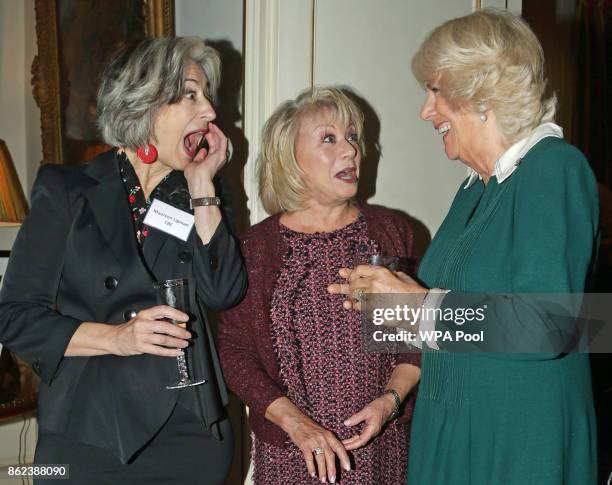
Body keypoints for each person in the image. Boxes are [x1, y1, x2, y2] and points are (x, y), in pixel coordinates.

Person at [329, 9, 599, 485]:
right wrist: (392, 313)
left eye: (435, 91)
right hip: (450, 427)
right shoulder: (473, 189)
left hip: (516, 439)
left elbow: (551, 325)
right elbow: (460, 326)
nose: (425, 111)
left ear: (480, 92)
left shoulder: (554, 169)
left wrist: (420, 304)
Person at [0, 37, 246, 484]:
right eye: (191, 94)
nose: (210, 111)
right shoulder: (67, 190)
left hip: (189, 437)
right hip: (88, 434)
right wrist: (117, 338)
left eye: (208, 96)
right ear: (145, 100)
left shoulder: (198, 193)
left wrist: (203, 184)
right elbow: (15, 318)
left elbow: (224, 291)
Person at [218, 87, 421, 484]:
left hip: (381, 454)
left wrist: (390, 402)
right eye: (329, 138)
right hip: (293, 457)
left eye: (352, 137)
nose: (349, 150)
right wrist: (296, 425)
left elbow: (415, 338)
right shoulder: (255, 250)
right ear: (289, 157)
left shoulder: (390, 232)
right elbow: (235, 354)